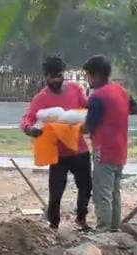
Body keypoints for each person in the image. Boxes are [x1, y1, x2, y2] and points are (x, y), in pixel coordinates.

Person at [21, 56, 92, 231]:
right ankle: (53, 225)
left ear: (63, 74)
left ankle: (81, 219)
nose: (55, 80)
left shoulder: (75, 89)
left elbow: (88, 106)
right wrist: (30, 129)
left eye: (58, 75)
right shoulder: (41, 99)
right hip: (58, 153)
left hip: (79, 148)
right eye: (51, 77)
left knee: (86, 186)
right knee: (56, 190)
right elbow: (27, 119)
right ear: (46, 76)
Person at [82, 55, 137, 232]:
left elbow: (88, 127)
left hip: (104, 150)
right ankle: (114, 228)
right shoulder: (122, 91)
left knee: (102, 192)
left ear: (96, 75)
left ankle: (103, 229)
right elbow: (134, 109)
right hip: (120, 150)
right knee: (114, 191)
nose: (87, 79)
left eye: (87, 75)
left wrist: (71, 125)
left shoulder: (98, 97)